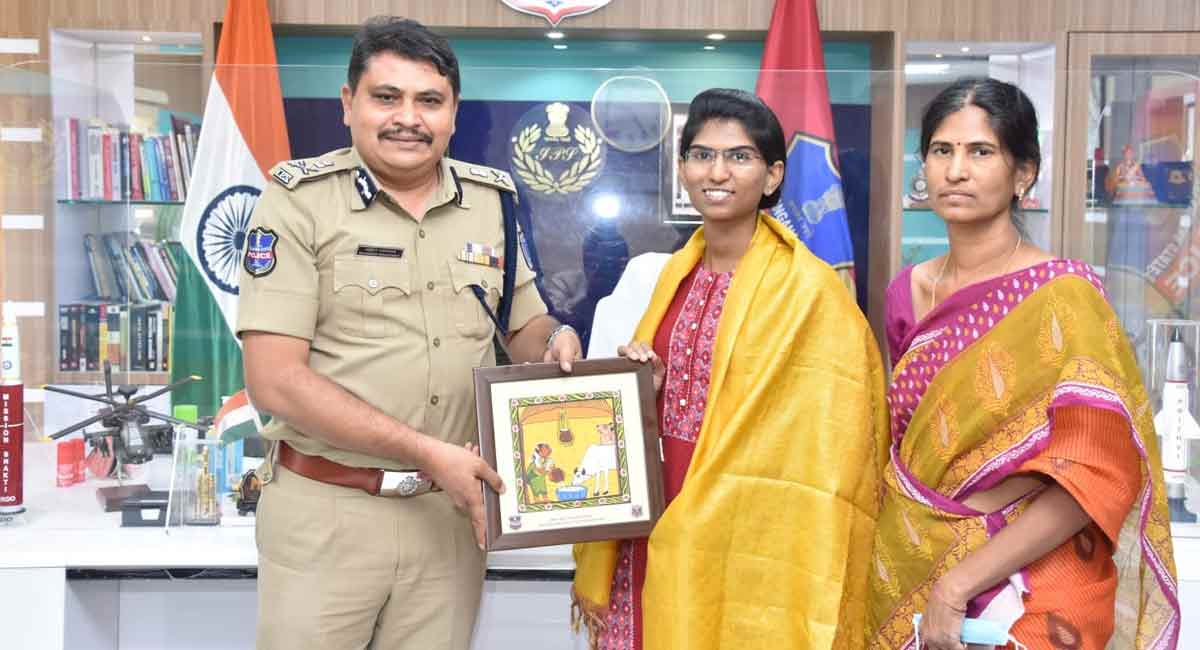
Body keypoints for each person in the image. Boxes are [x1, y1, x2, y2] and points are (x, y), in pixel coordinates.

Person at [236, 16, 582, 650]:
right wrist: (429, 453)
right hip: (327, 511)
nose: (409, 118)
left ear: (452, 112)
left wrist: (556, 340)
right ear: (348, 104)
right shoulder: (297, 201)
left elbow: (522, 328)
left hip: (448, 521)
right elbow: (275, 380)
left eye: (429, 100)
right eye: (386, 97)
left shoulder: (492, 201)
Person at [868, 77, 1179, 650]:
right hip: (910, 565)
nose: (956, 170)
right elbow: (910, 449)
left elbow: (1096, 476)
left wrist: (959, 585)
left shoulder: (1064, 298)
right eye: (942, 150)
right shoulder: (905, 292)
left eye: (980, 151)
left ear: (1024, 174)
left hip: (1032, 582)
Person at [571, 88, 888, 650]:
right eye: (701, 154)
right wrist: (645, 388)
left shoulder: (811, 292)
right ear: (684, 168)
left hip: (753, 529)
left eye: (739, 156)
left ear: (772, 176)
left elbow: (838, 442)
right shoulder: (662, 277)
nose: (716, 171)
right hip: (651, 516)